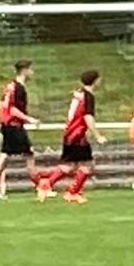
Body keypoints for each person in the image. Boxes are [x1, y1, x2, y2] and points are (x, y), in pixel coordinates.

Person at [38, 70, 106, 204]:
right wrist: (97, 135)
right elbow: (88, 117)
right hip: (77, 135)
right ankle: (72, 192)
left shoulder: (78, 93)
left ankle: (46, 184)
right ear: (95, 81)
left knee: (69, 166)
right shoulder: (88, 96)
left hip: (70, 133)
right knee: (88, 165)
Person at [0, 61, 44, 200]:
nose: (32, 72)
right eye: (30, 69)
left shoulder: (10, 86)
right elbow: (12, 109)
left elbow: (1, 104)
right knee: (28, 155)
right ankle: (41, 187)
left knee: (5, 156)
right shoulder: (19, 88)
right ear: (24, 70)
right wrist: (29, 119)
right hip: (14, 125)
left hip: (7, 124)